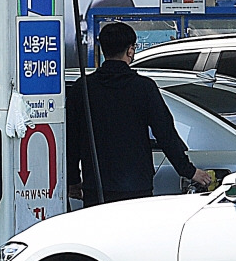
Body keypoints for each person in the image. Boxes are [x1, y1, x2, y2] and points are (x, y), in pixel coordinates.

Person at [67, 21, 211, 208]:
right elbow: (165, 132)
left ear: (103, 50)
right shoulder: (144, 88)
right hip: (137, 186)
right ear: (130, 51)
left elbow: (72, 139)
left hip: (97, 186)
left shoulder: (82, 88)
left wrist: (73, 179)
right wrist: (189, 171)